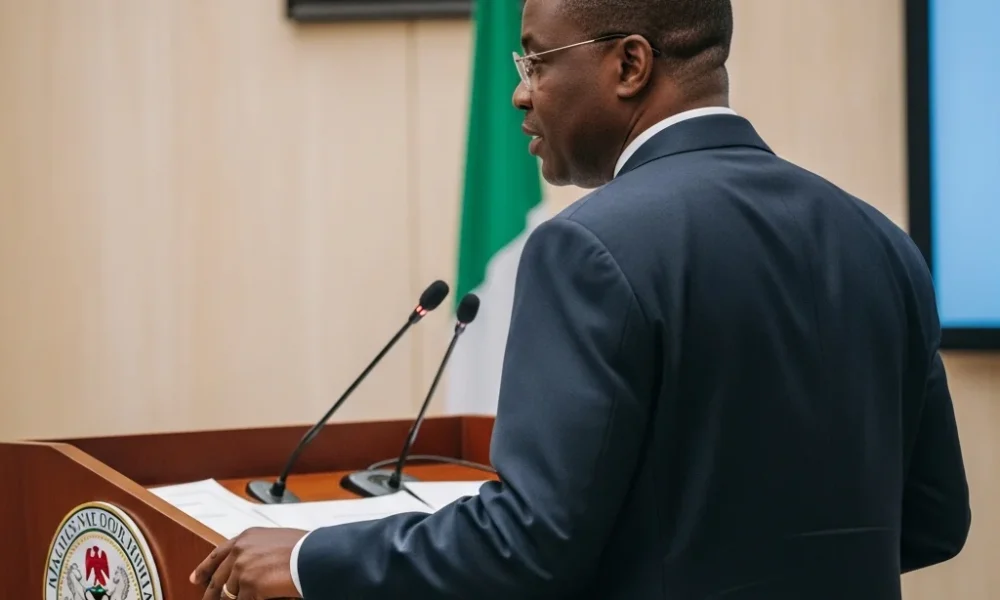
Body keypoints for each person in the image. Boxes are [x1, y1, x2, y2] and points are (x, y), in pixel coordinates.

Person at [191, 0, 972, 598]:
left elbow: (529, 544)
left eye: (535, 63)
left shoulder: (590, 248)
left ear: (630, 64)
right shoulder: (881, 242)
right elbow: (935, 518)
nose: (519, 97)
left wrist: (305, 559)